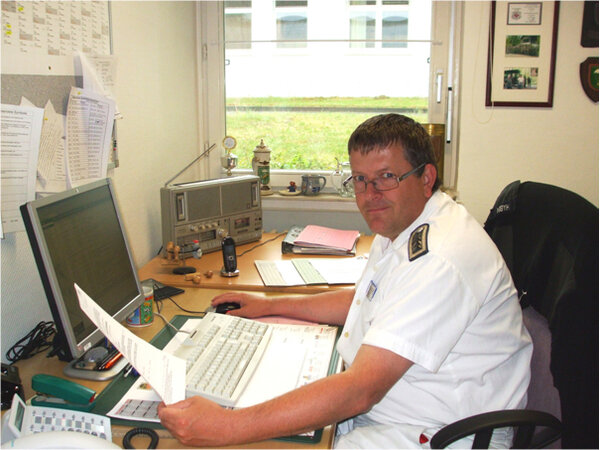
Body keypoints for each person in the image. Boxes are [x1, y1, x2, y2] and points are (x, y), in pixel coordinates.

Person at [158, 114, 533, 448]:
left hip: (440, 431)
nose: (371, 195)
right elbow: (365, 299)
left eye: (387, 177)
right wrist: (271, 305)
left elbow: (361, 390)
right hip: (399, 406)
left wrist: (227, 427)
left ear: (426, 178)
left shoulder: (440, 257)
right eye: (361, 180)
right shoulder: (402, 225)